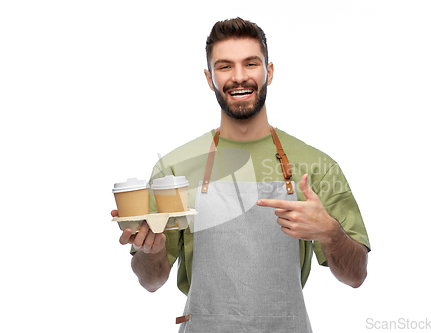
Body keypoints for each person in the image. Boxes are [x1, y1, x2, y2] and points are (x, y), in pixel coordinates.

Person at [111, 17, 370, 332]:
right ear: (210, 78)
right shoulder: (175, 170)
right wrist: (149, 252)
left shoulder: (316, 166)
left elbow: (355, 275)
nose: (239, 77)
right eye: (224, 66)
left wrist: (331, 233)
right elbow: (151, 281)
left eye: (251, 63)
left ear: (268, 72)